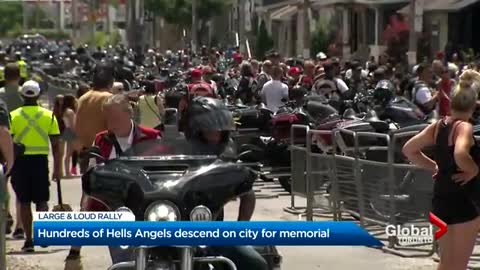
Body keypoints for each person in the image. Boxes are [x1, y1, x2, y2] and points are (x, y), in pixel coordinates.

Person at [65, 94, 160, 268]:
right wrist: (86, 205)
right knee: (123, 260)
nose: (111, 122)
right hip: (115, 210)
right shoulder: (101, 140)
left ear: (129, 113)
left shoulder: (152, 137)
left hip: (148, 209)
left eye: (115, 117)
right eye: (108, 117)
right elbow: (92, 175)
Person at [403, 70, 480, 270]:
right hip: (463, 201)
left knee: (446, 263)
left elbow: (409, 150)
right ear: (474, 105)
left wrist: (434, 166)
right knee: (458, 265)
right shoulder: (464, 127)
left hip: (441, 200)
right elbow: (461, 155)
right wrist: (473, 170)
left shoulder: (439, 125)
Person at [184, 96, 267, 270]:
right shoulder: (176, 151)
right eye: (210, 127)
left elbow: (247, 193)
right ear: (195, 127)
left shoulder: (225, 154)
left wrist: (240, 229)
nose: (216, 132)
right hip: (171, 228)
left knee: (256, 264)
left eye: (220, 128)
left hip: (212, 231)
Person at [9, 80, 61, 252]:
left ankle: (29, 240)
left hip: (20, 163)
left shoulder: (13, 115)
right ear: (39, 95)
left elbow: (7, 142)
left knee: (24, 202)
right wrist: (58, 168)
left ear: (22, 95)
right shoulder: (48, 115)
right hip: (40, 162)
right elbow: (56, 144)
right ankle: (43, 234)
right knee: (41, 201)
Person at [74, 63, 114, 174]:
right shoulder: (109, 98)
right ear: (111, 81)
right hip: (103, 153)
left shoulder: (82, 98)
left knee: (87, 187)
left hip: (84, 152)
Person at [0, 62, 24, 238]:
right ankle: (20, 225)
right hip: (21, 142)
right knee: (21, 187)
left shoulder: (0, 95)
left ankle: (5, 215)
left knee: (4, 182)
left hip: (3, 143)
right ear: (19, 75)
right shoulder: (24, 93)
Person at [62, 94, 78, 177]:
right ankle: (68, 172)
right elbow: (72, 125)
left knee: (68, 153)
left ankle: (68, 171)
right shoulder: (70, 112)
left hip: (67, 131)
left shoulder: (65, 110)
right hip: (71, 132)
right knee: (69, 153)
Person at [53, 95, 65, 177]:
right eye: (59, 100)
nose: (61, 102)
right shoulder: (55, 111)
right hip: (57, 133)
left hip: (62, 133)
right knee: (57, 153)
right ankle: (57, 171)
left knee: (60, 153)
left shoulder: (64, 110)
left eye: (62, 100)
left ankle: (59, 171)